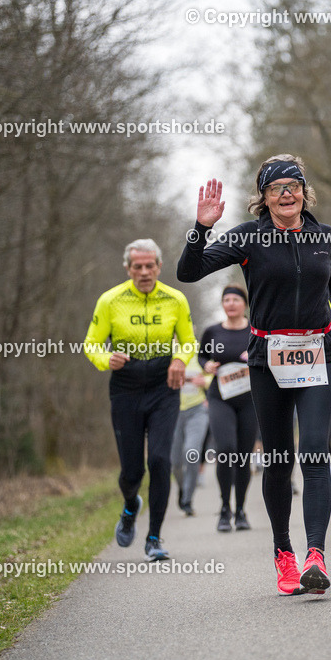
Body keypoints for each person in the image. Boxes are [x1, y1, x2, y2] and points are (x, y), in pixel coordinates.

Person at [178, 155, 331, 595]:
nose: (285, 194)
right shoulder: (249, 238)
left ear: (304, 192)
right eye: (276, 188)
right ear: (263, 196)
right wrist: (201, 228)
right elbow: (188, 271)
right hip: (267, 357)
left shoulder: (324, 237)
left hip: (318, 350)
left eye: (292, 186)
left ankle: (315, 555)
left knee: (314, 451)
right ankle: (284, 553)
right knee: (279, 460)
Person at [84, 238, 196, 561]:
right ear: (128, 269)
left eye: (150, 266)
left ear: (159, 267)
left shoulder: (175, 300)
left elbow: (189, 342)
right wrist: (107, 359)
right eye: (138, 267)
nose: (144, 272)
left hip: (164, 385)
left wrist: (179, 360)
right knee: (131, 472)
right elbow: (91, 344)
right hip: (126, 385)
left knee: (160, 461)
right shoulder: (110, 300)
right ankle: (131, 503)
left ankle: (154, 537)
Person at [199, 284, 259, 532]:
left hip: (250, 399)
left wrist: (254, 357)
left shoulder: (255, 330)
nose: (231, 304)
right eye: (227, 300)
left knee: (243, 457)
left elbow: (268, 354)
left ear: (244, 304)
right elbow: (202, 355)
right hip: (220, 397)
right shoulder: (213, 331)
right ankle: (225, 509)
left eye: (236, 299)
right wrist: (207, 366)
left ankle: (241, 510)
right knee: (225, 450)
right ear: (223, 305)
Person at [171, 354, 208, 517]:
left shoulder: (200, 353)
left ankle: (187, 499)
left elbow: (214, 374)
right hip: (172, 411)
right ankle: (183, 487)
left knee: (191, 452)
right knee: (175, 462)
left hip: (197, 410)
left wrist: (205, 382)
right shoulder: (167, 353)